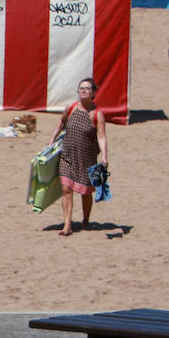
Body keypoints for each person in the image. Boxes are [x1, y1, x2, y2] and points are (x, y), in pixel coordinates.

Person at [49, 77, 109, 237]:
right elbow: (61, 123)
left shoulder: (97, 115)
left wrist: (104, 155)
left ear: (93, 93)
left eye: (88, 88)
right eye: (81, 88)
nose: (84, 91)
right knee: (66, 189)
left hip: (86, 157)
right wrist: (52, 139)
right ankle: (67, 225)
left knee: (85, 192)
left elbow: (102, 137)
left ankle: (86, 220)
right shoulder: (71, 108)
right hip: (67, 155)